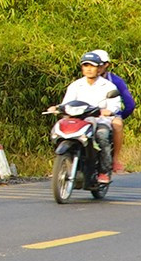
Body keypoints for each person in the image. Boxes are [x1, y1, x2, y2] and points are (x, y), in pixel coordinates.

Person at [53, 50, 124, 184]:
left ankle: (104, 171)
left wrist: (108, 111)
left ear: (99, 68)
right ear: (82, 68)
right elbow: (66, 103)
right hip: (78, 120)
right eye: (86, 65)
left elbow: (115, 105)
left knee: (102, 136)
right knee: (59, 132)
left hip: (99, 120)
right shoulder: (75, 85)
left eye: (92, 66)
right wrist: (57, 108)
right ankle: (65, 163)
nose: (89, 69)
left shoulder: (108, 86)